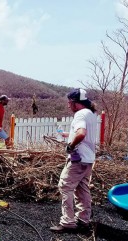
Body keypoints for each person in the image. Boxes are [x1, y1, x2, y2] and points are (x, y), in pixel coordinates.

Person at [50, 88, 97, 233]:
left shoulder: (80, 114)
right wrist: (68, 135)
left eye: (69, 102)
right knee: (82, 188)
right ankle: (83, 219)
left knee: (65, 186)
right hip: (88, 159)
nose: (68, 105)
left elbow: (81, 134)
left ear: (75, 103)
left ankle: (68, 222)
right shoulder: (90, 114)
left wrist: (70, 146)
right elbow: (81, 133)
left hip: (78, 159)